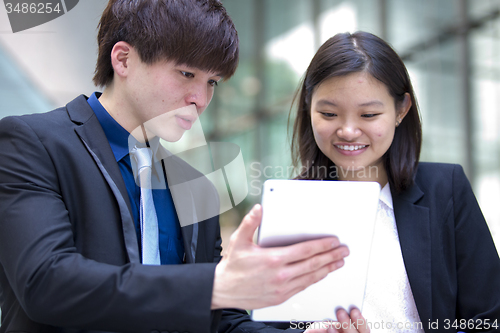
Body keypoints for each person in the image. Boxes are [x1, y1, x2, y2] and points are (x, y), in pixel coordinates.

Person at [0, 1, 349, 333]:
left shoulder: (196, 187)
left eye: (211, 82)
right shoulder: (32, 144)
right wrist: (214, 285)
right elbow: (46, 283)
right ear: (123, 60)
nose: (201, 98)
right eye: (186, 73)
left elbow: (221, 320)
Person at [290, 31, 500, 332]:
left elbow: (490, 319)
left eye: (369, 114)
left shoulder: (445, 189)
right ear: (309, 108)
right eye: (329, 113)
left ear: (401, 110)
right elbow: (275, 324)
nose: (348, 130)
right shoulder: (292, 204)